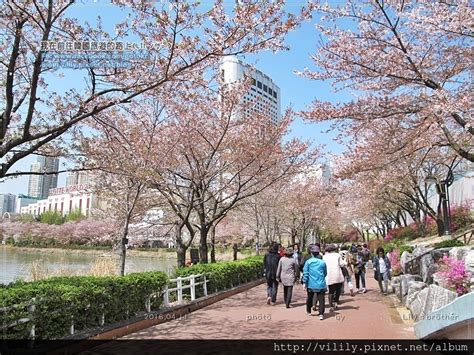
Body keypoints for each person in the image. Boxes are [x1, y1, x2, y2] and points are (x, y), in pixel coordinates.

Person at [302, 245, 327, 320]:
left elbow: (305, 273)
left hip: (310, 283)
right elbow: (325, 273)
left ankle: (309, 311)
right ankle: (321, 313)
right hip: (321, 283)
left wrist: (304, 282)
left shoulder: (308, 262)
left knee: (310, 297)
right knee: (321, 298)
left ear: (311, 253)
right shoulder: (322, 262)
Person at [323, 244, 345, 311]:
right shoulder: (337, 255)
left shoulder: (324, 256)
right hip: (337, 274)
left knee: (331, 291)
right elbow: (342, 264)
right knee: (338, 289)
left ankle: (330, 305)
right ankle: (335, 302)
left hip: (329, 274)